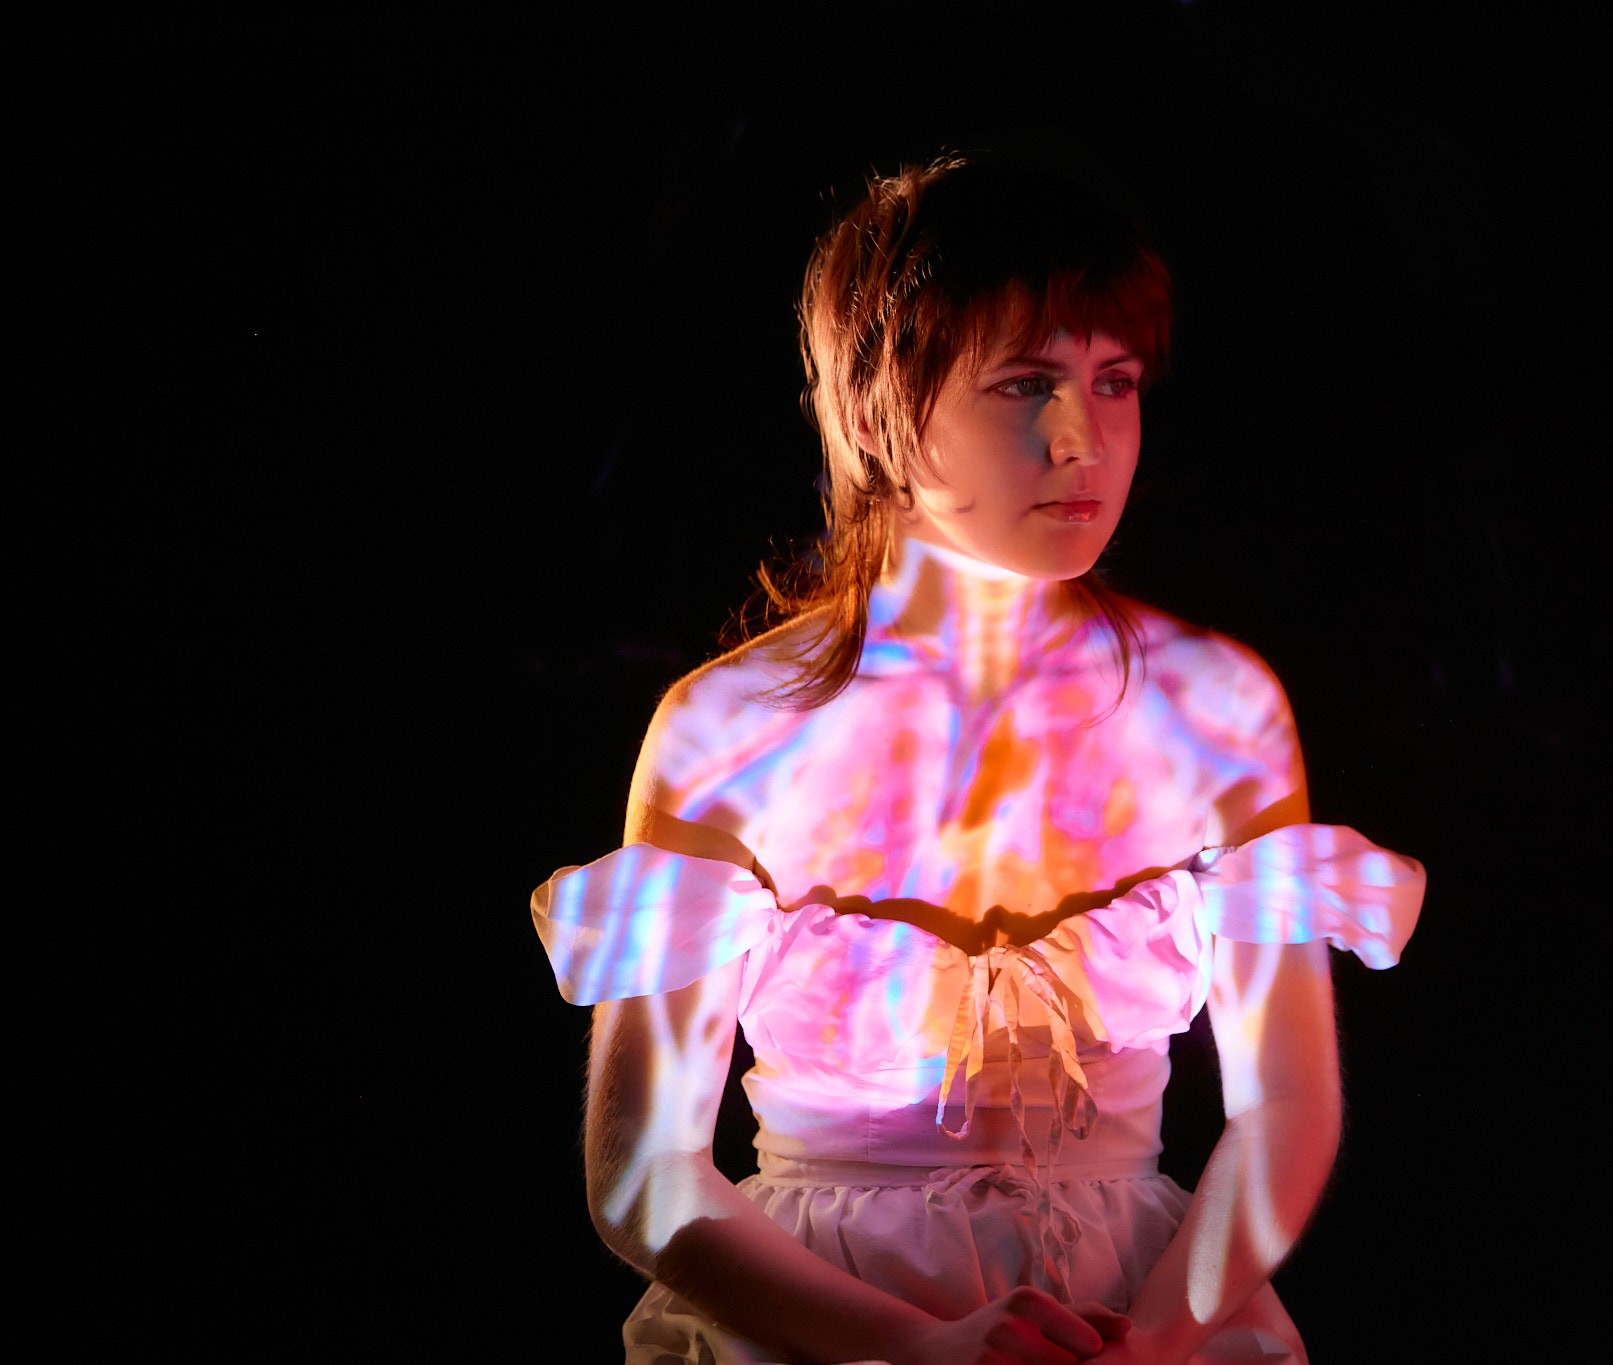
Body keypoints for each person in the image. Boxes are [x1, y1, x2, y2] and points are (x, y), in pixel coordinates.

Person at [530, 154, 1425, 1365]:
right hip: (816, 1315)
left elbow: (1285, 1108)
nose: (1081, 440)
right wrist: (920, 1349)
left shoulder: (1216, 708)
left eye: (1112, 382)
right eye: (1023, 385)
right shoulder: (729, 733)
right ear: (873, 413)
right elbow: (644, 1175)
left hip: (1149, 1304)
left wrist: (1160, 1339)